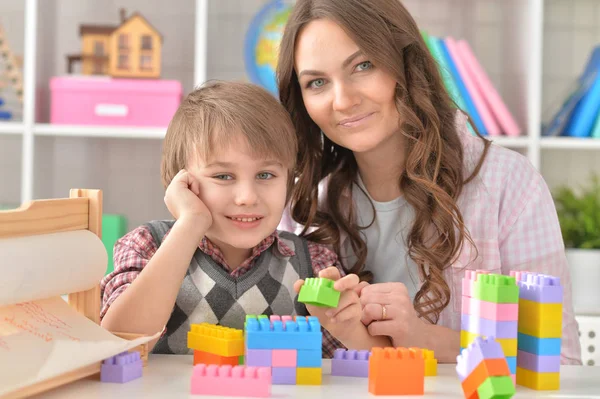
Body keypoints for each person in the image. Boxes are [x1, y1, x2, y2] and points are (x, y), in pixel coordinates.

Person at [276, 0, 582, 364]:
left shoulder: (507, 185)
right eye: (317, 82)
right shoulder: (307, 204)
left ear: (405, 64)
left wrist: (423, 338)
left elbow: (558, 360)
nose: (342, 100)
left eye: (363, 65)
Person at [99, 80, 390, 356]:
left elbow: (374, 364)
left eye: (265, 175)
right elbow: (118, 342)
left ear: (288, 180)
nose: (247, 197)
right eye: (223, 176)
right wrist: (189, 224)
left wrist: (347, 326)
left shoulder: (313, 263)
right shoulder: (148, 246)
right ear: (181, 182)